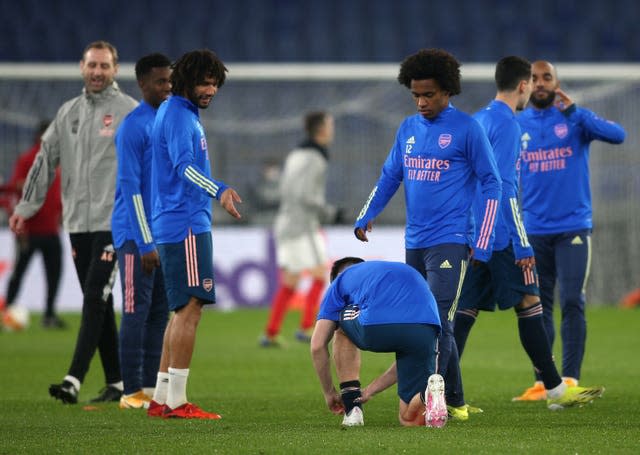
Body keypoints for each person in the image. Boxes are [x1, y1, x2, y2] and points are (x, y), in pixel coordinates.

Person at [353, 48, 502, 421]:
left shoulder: (468, 129)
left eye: (429, 95)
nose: (421, 102)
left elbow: (493, 182)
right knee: (422, 321)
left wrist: (482, 239)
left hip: (451, 239)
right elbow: (390, 176)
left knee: (436, 319)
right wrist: (367, 213)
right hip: (415, 242)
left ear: (448, 91)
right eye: (416, 95)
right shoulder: (407, 129)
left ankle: (427, 399)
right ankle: (456, 399)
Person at [453, 56, 605, 410]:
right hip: (503, 234)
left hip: (477, 234)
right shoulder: (507, 124)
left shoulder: (478, 120)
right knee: (530, 303)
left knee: (465, 313)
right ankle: (555, 388)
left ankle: (443, 393)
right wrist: (521, 242)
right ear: (523, 86)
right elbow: (505, 188)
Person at [10, 41, 138, 404]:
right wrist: (26, 207)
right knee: (97, 299)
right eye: (92, 65)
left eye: (104, 66)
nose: (97, 72)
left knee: (95, 298)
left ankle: (73, 379)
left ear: (115, 70)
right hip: (78, 224)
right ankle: (117, 382)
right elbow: (43, 160)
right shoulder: (68, 113)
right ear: (81, 67)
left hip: (116, 222)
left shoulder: (129, 112)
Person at [513, 61, 626, 401]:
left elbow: (617, 135)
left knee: (572, 300)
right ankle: (544, 382)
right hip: (533, 229)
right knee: (538, 306)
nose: (541, 83)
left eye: (547, 77)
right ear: (526, 85)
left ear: (557, 83)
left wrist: (576, 111)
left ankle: (571, 378)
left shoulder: (575, 119)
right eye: (534, 78)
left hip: (573, 227)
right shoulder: (518, 124)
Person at [145, 49, 242, 419]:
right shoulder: (181, 118)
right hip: (185, 223)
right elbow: (185, 168)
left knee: (179, 312)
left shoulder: (175, 113)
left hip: (175, 221)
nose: (211, 89)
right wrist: (219, 190)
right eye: (204, 82)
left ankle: (161, 397)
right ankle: (177, 402)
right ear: (186, 81)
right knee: (190, 309)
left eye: (215, 83)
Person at [310, 257, 445, 427]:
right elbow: (403, 366)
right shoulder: (395, 270)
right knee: (409, 419)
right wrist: (370, 390)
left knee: (340, 326)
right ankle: (427, 395)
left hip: (377, 325)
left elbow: (317, 345)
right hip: (427, 325)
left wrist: (329, 393)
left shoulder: (339, 282)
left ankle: (352, 409)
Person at [111, 53, 172, 410]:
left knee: (159, 313)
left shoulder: (166, 121)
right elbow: (131, 188)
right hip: (136, 237)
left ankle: (150, 387)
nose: (167, 88)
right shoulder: (134, 126)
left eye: (170, 81)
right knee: (136, 310)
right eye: (160, 82)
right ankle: (130, 389)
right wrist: (146, 240)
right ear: (143, 84)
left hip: (162, 235)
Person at [261, 111, 341, 347]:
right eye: (330, 125)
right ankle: (306, 328)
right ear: (321, 129)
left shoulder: (296, 153)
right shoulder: (316, 157)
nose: (332, 130)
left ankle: (271, 332)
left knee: (291, 281)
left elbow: (289, 190)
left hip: (287, 222)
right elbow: (306, 195)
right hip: (302, 226)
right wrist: (330, 212)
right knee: (318, 274)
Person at [1, 120, 65, 330]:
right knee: (25, 273)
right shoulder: (29, 159)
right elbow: (15, 185)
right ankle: (10, 311)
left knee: (50, 272)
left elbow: (58, 194)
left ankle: (48, 314)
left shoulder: (55, 161)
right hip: (29, 230)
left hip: (49, 230)